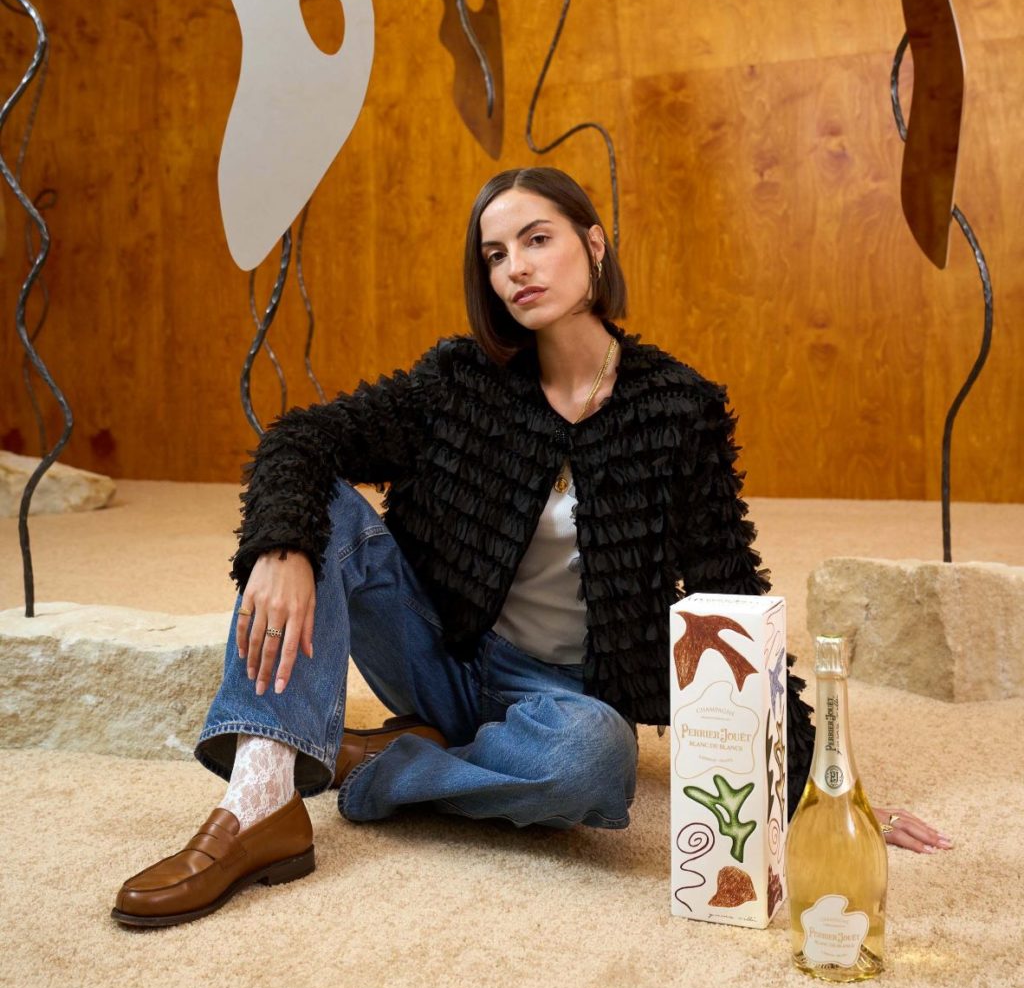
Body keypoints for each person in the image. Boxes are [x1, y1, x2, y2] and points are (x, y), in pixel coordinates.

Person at [112, 167, 952, 927]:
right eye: (495, 254)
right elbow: (300, 437)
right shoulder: (459, 380)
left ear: (594, 245)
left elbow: (733, 598)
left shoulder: (677, 408)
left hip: (564, 695)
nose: (516, 267)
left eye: (537, 239)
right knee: (312, 513)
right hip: (437, 652)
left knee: (596, 760)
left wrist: (818, 788)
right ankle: (258, 797)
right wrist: (280, 549)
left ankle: (369, 762)